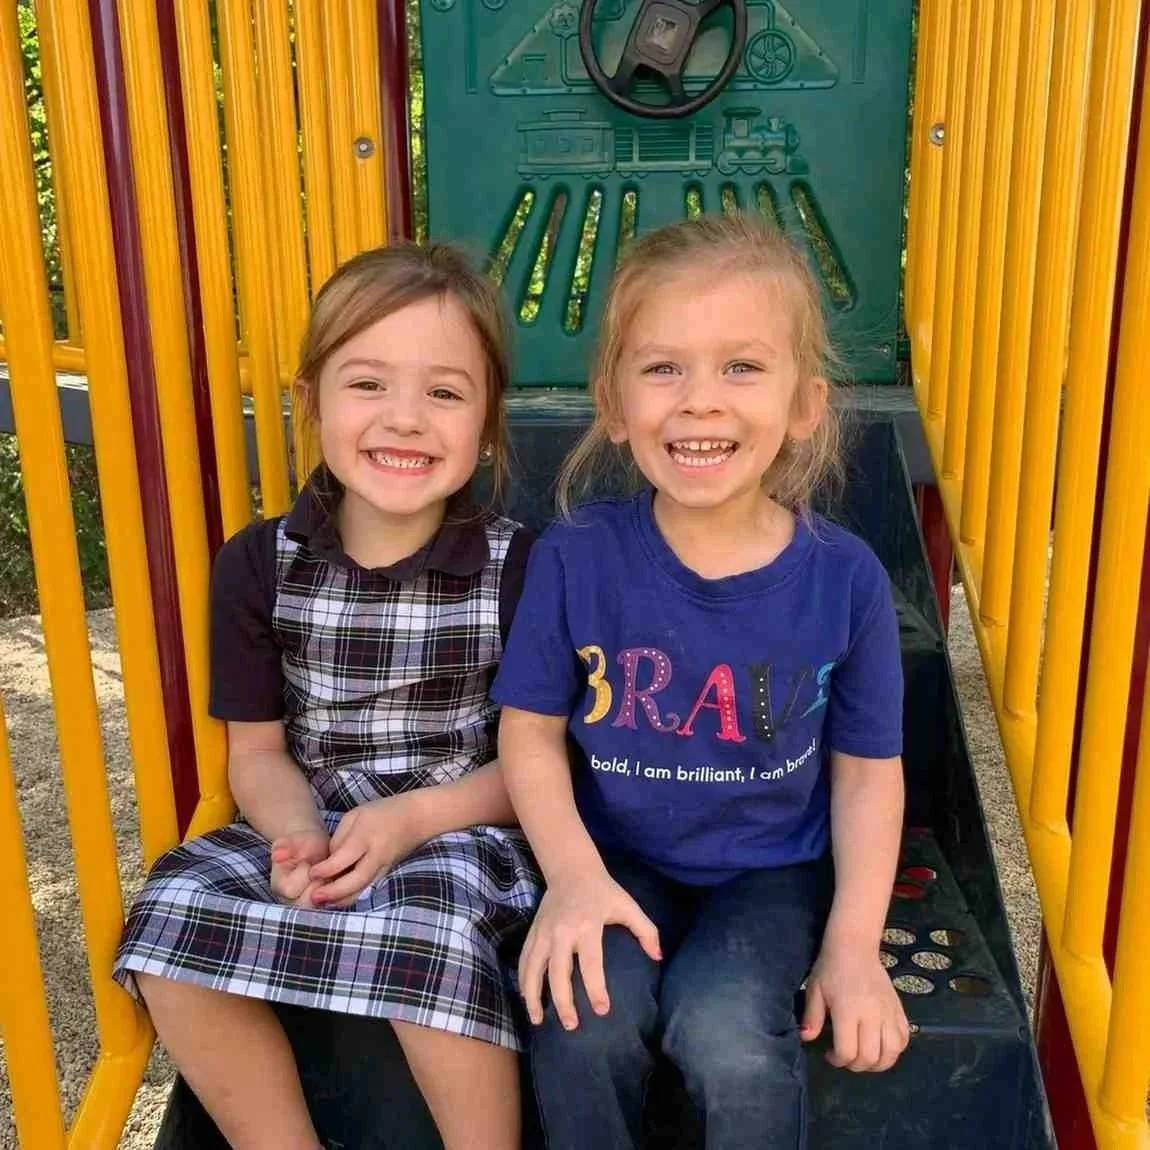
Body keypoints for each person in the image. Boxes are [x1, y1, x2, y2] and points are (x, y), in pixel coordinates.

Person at [490, 213, 910, 1149]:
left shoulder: (846, 581)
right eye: (662, 367)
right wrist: (570, 879)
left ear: (806, 403)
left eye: (742, 367)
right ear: (612, 400)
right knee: (579, 1014)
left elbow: (866, 772)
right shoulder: (577, 558)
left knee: (724, 1030)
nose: (699, 402)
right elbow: (528, 732)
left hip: (769, 873)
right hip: (611, 857)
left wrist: (852, 947)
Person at [114, 242, 541, 1150]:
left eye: (446, 393)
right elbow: (259, 752)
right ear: (310, 403)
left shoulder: (521, 566)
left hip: (461, 820)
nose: (406, 419)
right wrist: (296, 834)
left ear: (489, 425)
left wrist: (414, 821)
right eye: (368, 384)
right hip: (312, 812)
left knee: (425, 934)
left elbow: (540, 764)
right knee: (169, 915)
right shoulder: (259, 563)